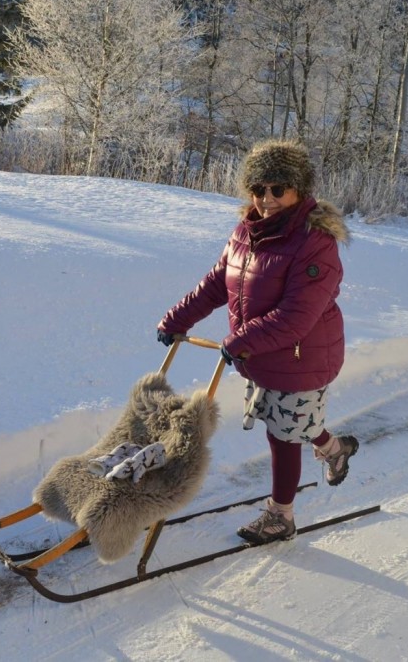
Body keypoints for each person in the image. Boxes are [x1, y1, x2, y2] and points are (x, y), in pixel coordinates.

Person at [156, 139, 358, 544]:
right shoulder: (246, 231)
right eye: (258, 189)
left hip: (301, 357)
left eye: (277, 188)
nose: (266, 199)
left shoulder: (314, 241)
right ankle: (334, 448)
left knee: (283, 434)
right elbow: (217, 284)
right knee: (286, 418)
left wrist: (241, 339)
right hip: (259, 351)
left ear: (298, 189)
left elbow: (296, 317)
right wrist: (176, 320)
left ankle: (281, 516)